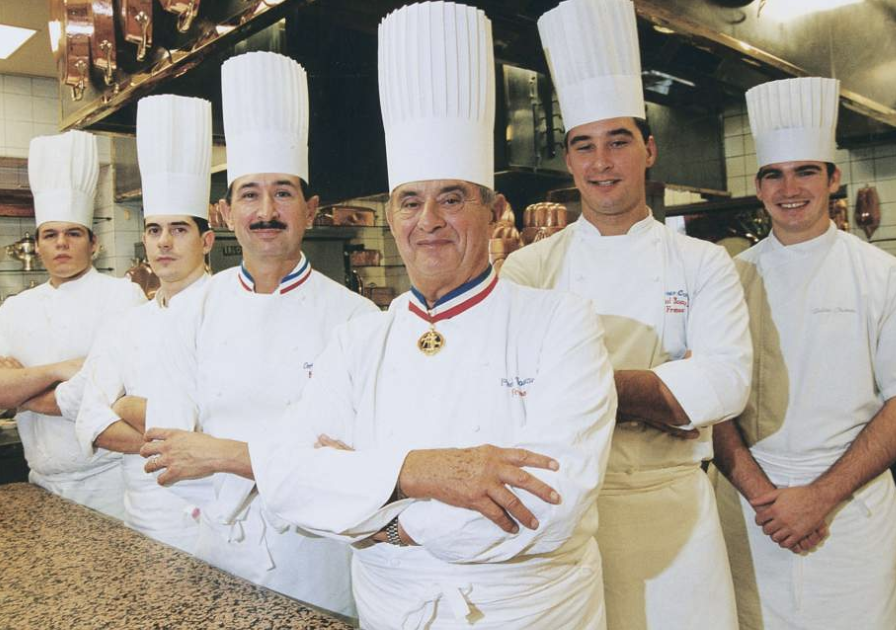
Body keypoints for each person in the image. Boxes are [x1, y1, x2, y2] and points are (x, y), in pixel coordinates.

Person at [142, 3, 617, 628]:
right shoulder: (361, 336)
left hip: (525, 611)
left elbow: (549, 503)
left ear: (495, 209)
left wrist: (370, 513)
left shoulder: (563, 323)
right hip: (388, 608)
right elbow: (290, 480)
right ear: (391, 218)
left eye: (452, 198)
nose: (429, 221)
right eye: (410, 202)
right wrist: (424, 471)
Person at [499, 1, 752, 628]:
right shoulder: (530, 270)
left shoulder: (703, 263)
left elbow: (726, 385)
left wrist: (580, 390)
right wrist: (665, 391)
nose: (602, 162)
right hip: (571, 517)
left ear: (650, 149)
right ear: (569, 160)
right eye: (584, 146)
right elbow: (509, 396)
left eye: (619, 141)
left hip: (679, 507)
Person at [129, 51, 376, 614]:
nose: (267, 210)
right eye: (250, 194)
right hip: (217, 548)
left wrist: (217, 453)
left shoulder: (358, 321)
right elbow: (169, 455)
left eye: (284, 192)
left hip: (321, 558)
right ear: (224, 212)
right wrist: (291, 464)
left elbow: (354, 468)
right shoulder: (190, 312)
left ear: (311, 209)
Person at [711, 76, 896, 630]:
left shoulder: (880, 275)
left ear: (833, 178)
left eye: (805, 171)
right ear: (759, 184)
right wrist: (764, 494)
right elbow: (712, 400)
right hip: (749, 510)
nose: (789, 187)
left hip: (850, 513)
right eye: (774, 174)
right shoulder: (728, 278)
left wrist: (819, 498)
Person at [74, 94, 215, 552]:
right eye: (154, 230)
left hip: (219, 519)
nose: (164, 242)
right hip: (145, 517)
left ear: (207, 240)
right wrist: (179, 443)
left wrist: (132, 407)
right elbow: (92, 417)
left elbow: (223, 426)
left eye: (179, 229)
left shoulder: (230, 309)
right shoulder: (126, 324)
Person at [0, 131, 145, 518]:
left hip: (109, 484)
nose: (61, 243)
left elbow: (99, 395)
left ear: (93, 244)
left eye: (73, 233)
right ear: (38, 244)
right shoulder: (15, 308)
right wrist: (60, 371)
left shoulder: (122, 296)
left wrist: (21, 391)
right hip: (41, 483)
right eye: (50, 234)